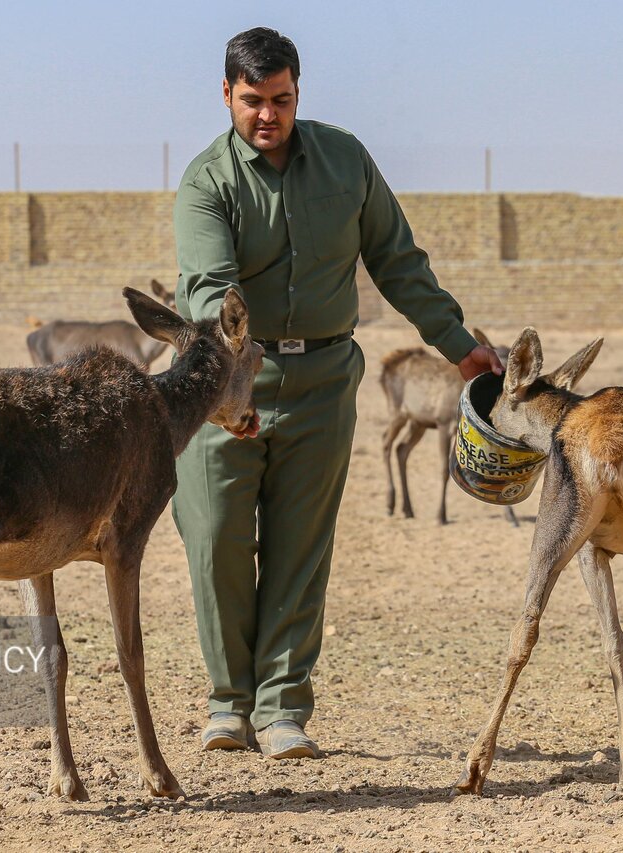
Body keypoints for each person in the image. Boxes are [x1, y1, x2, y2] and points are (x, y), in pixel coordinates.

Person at [171, 26, 504, 760]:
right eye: (253, 101)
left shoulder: (347, 161)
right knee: (216, 535)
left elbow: (398, 261)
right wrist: (232, 387)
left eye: (282, 100)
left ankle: (282, 707)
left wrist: (460, 346)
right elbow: (210, 291)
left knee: (300, 547)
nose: (268, 116)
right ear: (226, 94)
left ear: (299, 93)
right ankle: (228, 703)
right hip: (227, 385)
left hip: (323, 381)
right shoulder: (206, 182)